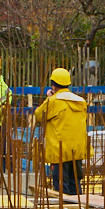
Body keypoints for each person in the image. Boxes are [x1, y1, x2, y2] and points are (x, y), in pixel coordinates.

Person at [32, 67, 89, 196]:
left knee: (61, 186)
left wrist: (49, 98)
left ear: (54, 85)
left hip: (60, 151)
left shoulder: (54, 101)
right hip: (77, 150)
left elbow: (39, 115)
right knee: (75, 183)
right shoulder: (80, 101)